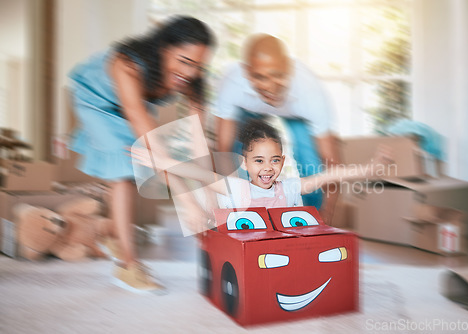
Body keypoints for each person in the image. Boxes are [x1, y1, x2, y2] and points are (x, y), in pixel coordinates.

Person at [68, 16, 215, 294]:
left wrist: (209, 201)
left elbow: (199, 143)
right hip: (97, 102)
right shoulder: (127, 65)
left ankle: (112, 232)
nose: (190, 73)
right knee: (125, 171)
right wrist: (187, 200)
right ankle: (128, 266)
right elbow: (150, 139)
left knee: (139, 167)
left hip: (129, 104)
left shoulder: (193, 80)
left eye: (198, 66)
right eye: (183, 61)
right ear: (162, 47)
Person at [213, 33, 340, 221]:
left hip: (296, 112)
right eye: (260, 77)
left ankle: (311, 219)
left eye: (278, 76)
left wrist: (326, 214)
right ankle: (248, 209)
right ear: (247, 72)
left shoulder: (310, 93)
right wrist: (228, 205)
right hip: (248, 109)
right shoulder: (232, 84)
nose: (270, 86)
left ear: (289, 68)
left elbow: (332, 164)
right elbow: (223, 150)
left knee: (311, 163)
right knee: (239, 153)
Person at [215, 119, 389, 209]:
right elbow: (198, 174)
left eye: (274, 160)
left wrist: (369, 168)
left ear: (282, 162)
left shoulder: (288, 188)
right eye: (259, 161)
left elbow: (330, 175)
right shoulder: (237, 188)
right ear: (244, 163)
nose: (268, 167)